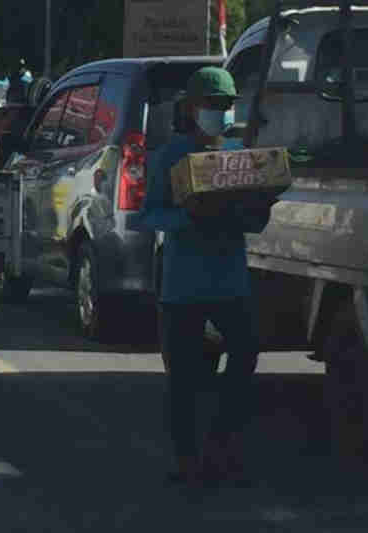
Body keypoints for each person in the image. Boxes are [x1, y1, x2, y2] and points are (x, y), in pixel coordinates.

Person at [133, 67, 276, 487]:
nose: (220, 112)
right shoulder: (170, 157)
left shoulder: (237, 156)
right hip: (184, 286)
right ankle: (186, 458)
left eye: (226, 105)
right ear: (192, 108)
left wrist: (261, 205)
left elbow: (254, 220)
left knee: (246, 355)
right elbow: (147, 215)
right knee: (183, 378)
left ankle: (222, 442)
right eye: (213, 105)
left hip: (230, 281)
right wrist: (187, 216)